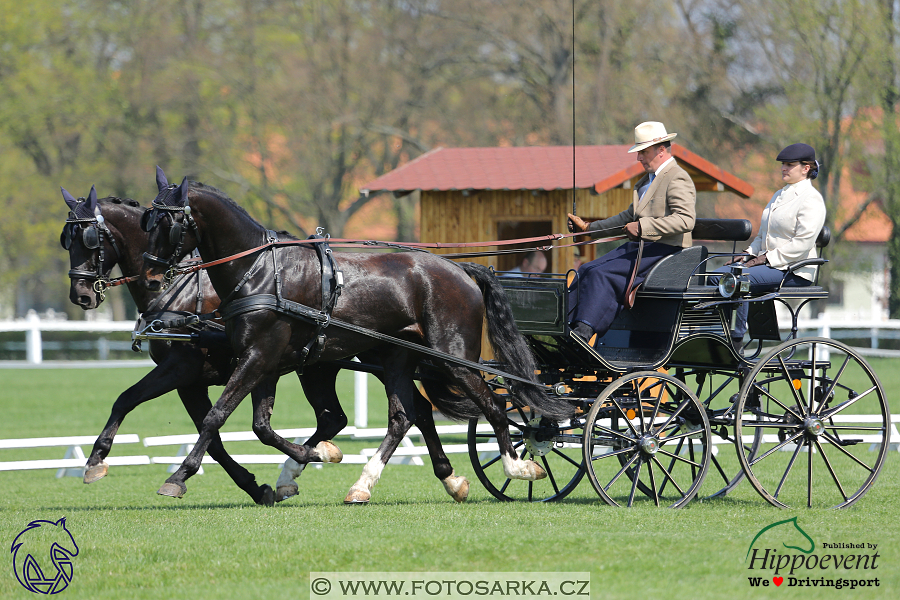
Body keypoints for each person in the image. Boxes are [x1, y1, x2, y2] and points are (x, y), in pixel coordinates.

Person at [567, 121, 696, 342]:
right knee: (587, 269)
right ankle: (566, 327)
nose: (639, 158)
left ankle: (584, 332)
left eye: (643, 152)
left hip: (667, 253)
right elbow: (626, 219)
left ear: (661, 150)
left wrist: (644, 227)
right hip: (644, 249)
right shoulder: (648, 181)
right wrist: (588, 229)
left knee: (601, 274)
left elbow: (686, 220)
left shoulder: (677, 177)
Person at [711, 143, 826, 349]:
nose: (783, 168)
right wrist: (748, 254)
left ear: (805, 168)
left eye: (789, 164)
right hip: (770, 266)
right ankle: (717, 331)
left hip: (794, 270)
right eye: (783, 164)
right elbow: (763, 236)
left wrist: (765, 258)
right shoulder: (779, 195)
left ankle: (735, 339)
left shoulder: (811, 199)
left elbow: (802, 243)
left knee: (739, 279)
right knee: (715, 275)